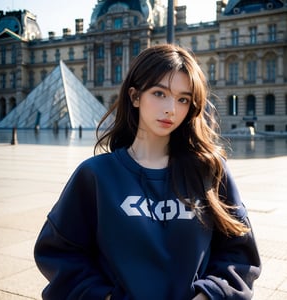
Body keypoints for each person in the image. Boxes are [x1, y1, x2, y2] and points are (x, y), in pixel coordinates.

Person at [34, 44, 261, 300]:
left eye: (183, 99)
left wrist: (208, 296)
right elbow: (58, 252)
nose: (171, 109)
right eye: (159, 93)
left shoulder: (211, 171)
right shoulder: (95, 175)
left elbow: (240, 253)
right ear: (134, 96)